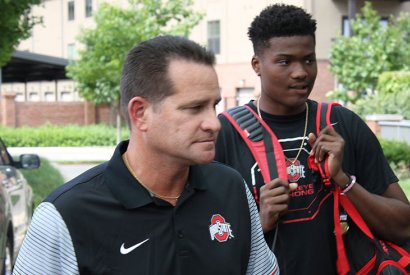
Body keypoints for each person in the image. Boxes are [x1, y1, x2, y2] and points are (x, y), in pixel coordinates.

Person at [13, 35, 278, 275]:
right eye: (194, 108)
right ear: (140, 113)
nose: (214, 123)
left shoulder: (231, 188)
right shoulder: (65, 216)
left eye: (214, 106)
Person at [215, 4, 410, 274]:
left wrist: (344, 181)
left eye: (308, 59)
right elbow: (202, 243)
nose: (301, 72)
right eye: (285, 61)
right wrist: (259, 222)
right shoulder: (225, 134)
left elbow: (403, 226)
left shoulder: (343, 124)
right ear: (256, 65)